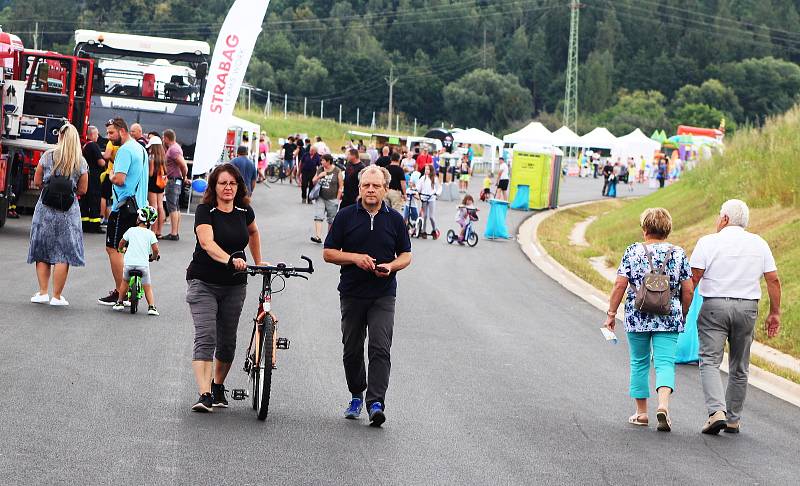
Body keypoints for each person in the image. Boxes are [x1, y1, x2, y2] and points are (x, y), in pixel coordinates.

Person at [323, 165, 412, 427]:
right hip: (352, 293)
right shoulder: (346, 215)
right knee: (351, 350)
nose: (370, 190)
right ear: (359, 189)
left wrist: (391, 266)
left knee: (379, 348)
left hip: (383, 294)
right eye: (366, 186)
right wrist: (355, 258)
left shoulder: (394, 219)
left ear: (385, 189)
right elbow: (328, 252)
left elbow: (406, 254)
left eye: (376, 186)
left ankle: (376, 403)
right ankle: (355, 394)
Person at [690, 199, 781, 435]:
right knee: (740, 365)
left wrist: (683, 308)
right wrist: (774, 313)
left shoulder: (708, 242)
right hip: (747, 309)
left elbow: (694, 279)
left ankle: (716, 411)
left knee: (709, 360)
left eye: (719, 216)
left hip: (714, 307)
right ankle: (732, 419)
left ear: (725, 219)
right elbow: (773, 280)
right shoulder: (759, 243)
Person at [604, 208, 693, 432]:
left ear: (645, 229)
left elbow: (620, 285)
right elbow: (688, 289)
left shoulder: (633, 252)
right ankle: (663, 406)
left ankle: (641, 413)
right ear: (668, 229)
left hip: (638, 316)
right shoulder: (679, 253)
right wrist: (683, 312)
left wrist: (611, 314)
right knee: (664, 363)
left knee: (639, 362)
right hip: (668, 316)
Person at [186, 163, 264, 412]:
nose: (228, 187)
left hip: (234, 285)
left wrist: (259, 261)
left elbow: (253, 232)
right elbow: (207, 243)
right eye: (223, 183)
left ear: (238, 186)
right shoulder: (205, 210)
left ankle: (218, 386)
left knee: (228, 341)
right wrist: (230, 259)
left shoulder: (245, 210)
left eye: (232, 183)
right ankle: (204, 393)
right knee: (206, 336)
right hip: (203, 281)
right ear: (214, 186)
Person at [28, 124, 89, 306]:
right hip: (68, 211)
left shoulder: (48, 156)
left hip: (45, 208)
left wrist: (49, 187)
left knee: (43, 249)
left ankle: (42, 292)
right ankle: (56, 296)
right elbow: (83, 189)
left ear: (60, 137)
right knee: (63, 253)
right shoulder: (80, 161)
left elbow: (37, 180)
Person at [98, 118, 149, 306]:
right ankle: (129, 290)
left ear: (122, 130)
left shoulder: (125, 151)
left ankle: (122, 291)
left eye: (111, 133)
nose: (109, 138)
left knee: (114, 248)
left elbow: (119, 179)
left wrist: (110, 175)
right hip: (140, 207)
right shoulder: (141, 149)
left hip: (124, 207)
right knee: (129, 250)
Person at [113, 206, 160, 316]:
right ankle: (151, 307)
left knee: (124, 282)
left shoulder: (131, 230)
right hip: (143, 265)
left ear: (138, 219)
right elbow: (156, 250)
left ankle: (119, 302)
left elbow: (121, 242)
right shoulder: (151, 234)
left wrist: (121, 249)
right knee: (147, 286)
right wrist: (154, 257)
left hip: (129, 264)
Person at [310, 154, 343, 244]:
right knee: (318, 216)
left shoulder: (337, 171)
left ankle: (329, 238)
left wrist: (337, 199)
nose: (321, 162)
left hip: (332, 199)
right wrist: (319, 176)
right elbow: (313, 181)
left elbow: (341, 186)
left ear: (328, 161)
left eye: (323, 160)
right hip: (320, 197)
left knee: (331, 220)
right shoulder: (320, 169)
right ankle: (318, 237)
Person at [162, 129, 188, 241]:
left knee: (172, 207)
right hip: (175, 180)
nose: (163, 140)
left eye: (163, 138)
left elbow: (183, 165)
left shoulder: (173, 150)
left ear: (167, 138)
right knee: (175, 206)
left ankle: (174, 233)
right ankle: (175, 232)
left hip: (173, 180)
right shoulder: (176, 148)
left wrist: (184, 176)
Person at [80, 125, 106, 233]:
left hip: (86, 174)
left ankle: (85, 224)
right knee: (95, 200)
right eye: (96, 134)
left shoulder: (85, 146)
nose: (98, 136)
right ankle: (95, 225)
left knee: (85, 200)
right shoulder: (94, 146)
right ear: (92, 134)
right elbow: (101, 162)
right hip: (94, 176)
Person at [146, 136, 167, 238]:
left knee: (153, 206)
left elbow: (150, 173)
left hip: (153, 182)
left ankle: (153, 231)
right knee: (160, 206)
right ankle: (159, 231)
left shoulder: (152, 156)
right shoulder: (163, 156)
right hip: (161, 182)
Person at [417, 164, 442, 239]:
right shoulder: (422, 178)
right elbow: (418, 187)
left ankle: (434, 230)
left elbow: (439, 188)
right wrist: (417, 191)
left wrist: (436, 193)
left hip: (431, 198)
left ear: (431, 170)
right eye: (425, 169)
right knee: (424, 216)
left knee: (431, 216)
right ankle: (423, 231)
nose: (426, 171)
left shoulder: (434, 178)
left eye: (428, 169)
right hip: (424, 198)